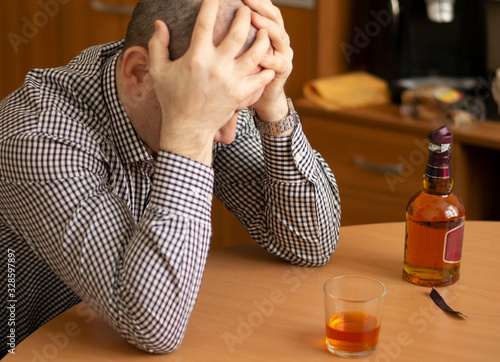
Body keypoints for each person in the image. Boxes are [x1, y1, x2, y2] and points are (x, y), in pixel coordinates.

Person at [0, 0, 340, 356]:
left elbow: (309, 243)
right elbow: (155, 327)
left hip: (101, 342)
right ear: (137, 73)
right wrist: (191, 130)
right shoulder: (35, 139)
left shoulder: (207, 90)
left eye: (240, 109)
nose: (228, 134)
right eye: (222, 111)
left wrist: (272, 104)